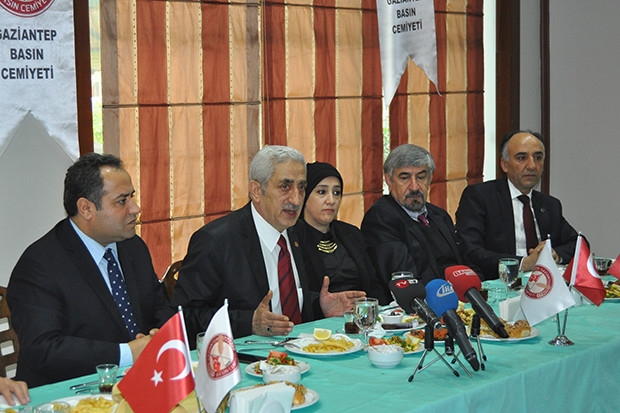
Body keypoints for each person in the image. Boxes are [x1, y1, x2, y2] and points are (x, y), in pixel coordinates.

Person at [7, 153, 174, 387]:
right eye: (122, 201)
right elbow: (43, 349)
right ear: (86, 208)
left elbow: (159, 305)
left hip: (144, 381)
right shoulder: (39, 265)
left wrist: (158, 335)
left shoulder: (132, 246)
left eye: (132, 197)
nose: (136, 208)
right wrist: (127, 353)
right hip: (70, 391)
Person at [171, 146, 366, 341]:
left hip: (301, 348)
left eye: (301, 187)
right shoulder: (216, 241)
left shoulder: (298, 231)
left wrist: (319, 305)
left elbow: (289, 299)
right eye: (285, 187)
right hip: (246, 354)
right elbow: (183, 316)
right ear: (256, 191)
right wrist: (249, 322)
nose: (296, 199)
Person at [455, 130, 578, 279]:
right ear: (504, 165)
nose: (532, 165)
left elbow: (578, 243)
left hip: (542, 284)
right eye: (522, 158)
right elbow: (471, 251)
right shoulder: (480, 197)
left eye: (538, 158)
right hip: (499, 285)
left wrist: (554, 255)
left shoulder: (550, 204)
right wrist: (523, 264)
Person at [361, 144, 474, 289]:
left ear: (430, 178)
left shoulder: (439, 215)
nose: (414, 187)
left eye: (421, 177)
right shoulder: (380, 219)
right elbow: (404, 280)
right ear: (389, 180)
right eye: (404, 178)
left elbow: (465, 262)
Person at [299, 162, 390, 305]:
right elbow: (294, 296)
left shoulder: (351, 234)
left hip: (362, 313)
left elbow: (373, 285)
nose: (331, 200)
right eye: (322, 192)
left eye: (336, 193)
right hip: (320, 317)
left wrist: (382, 312)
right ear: (304, 195)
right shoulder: (294, 238)